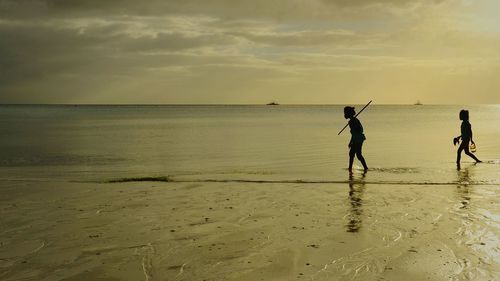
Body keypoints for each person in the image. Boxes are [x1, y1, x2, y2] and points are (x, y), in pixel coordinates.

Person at [344, 106, 368, 173]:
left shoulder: (353, 121)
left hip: (358, 139)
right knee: (353, 154)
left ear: (348, 114)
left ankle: (365, 168)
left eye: (345, 113)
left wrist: (351, 142)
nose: (344, 114)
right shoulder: (352, 121)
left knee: (357, 155)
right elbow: (355, 132)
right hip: (358, 138)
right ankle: (351, 169)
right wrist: (351, 141)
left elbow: (356, 132)